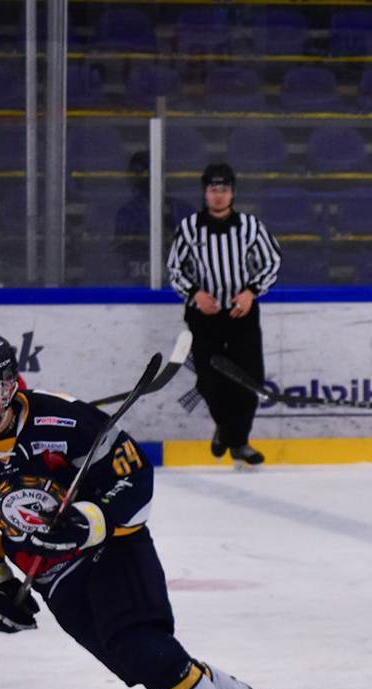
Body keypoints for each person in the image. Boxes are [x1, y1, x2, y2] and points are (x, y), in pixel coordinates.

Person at [0, 334, 298, 689]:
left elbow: (134, 474)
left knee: (145, 650)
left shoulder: (64, 421)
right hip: (51, 576)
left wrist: (89, 519)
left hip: (112, 549)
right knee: (140, 665)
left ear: (8, 385)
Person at [166, 162, 281, 468]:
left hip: (241, 314)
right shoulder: (189, 228)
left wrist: (251, 291)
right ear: (205, 192)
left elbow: (272, 261)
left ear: (233, 193)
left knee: (249, 380)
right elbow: (175, 269)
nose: (219, 194)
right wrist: (195, 294)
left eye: (225, 189)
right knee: (208, 380)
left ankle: (237, 442)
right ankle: (230, 432)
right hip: (204, 317)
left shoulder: (250, 227)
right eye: (213, 189)